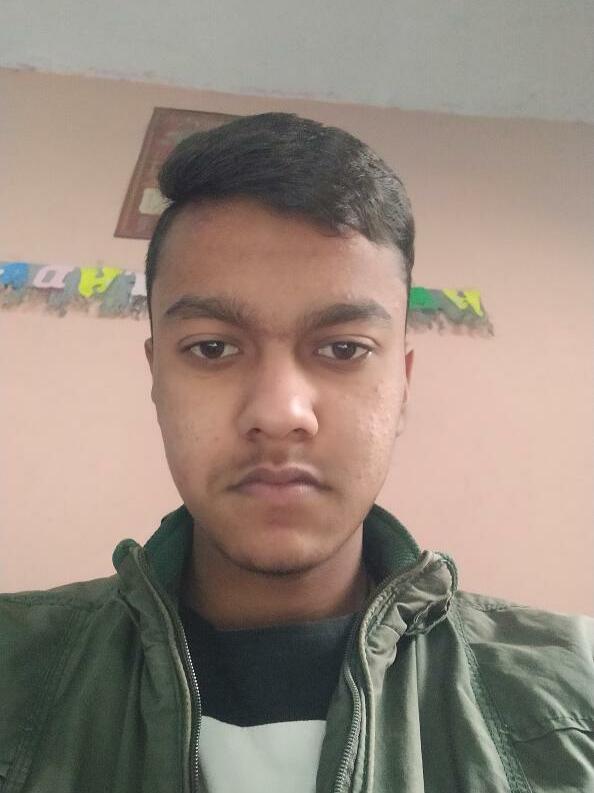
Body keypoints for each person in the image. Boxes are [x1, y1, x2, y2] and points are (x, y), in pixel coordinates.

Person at [0, 112, 592, 793]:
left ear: (402, 385)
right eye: (212, 347)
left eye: (343, 348)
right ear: (155, 375)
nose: (280, 414)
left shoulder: (573, 696)